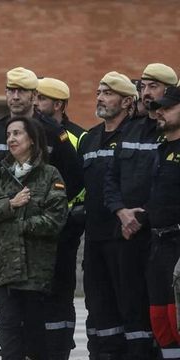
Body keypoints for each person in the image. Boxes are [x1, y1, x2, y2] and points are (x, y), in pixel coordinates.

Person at [0, 116, 68, 360]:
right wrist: (10, 204)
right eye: (9, 134)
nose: (11, 139)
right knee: (9, 342)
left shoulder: (49, 175)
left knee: (36, 344)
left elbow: (54, 220)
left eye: (17, 133)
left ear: (33, 140)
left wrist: (16, 226)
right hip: (5, 274)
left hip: (36, 275)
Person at [104, 64, 178, 359]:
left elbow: (163, 191)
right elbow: (111, 176)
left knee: (171, 319)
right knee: (145, 314)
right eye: (143, 87)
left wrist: (141, 216)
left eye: (154, 88)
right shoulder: (131, 129)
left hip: (163, 236)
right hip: (132, 235)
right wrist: (121, 211)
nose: (146, 95)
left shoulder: (167, 137)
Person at [80, 71, 147, 359]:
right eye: (99, 92)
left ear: (126, 101)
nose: (100, 98)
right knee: (98, 309)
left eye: (108, 93)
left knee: (130, 308)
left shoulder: (136, 134)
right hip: (94, 238)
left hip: (126, 237)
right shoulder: (89, 139)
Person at [35, 77, 86, 359]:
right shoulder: (29, 131)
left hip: (66, 227)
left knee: (61, 291)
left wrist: (66, 210)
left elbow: (82, 179)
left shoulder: (78, 137)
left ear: (58, 104)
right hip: (34, 228)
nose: (36, 104)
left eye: (42, 99)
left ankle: (61, 347)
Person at [0, 67, 83, 201]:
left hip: (42, 217)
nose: (15, 97)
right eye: (11, 91)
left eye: (22, 91)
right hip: (3, 215)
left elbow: (75, 176)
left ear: (34, 96)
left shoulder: (52, 130)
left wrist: (52, 207)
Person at [144, 86, 180, 359]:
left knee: (176, 317)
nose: (160, 113)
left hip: (178, 245)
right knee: (160, 320)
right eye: (159, 109)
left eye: (167, 108)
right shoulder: (160, 149)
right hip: (157, 245)